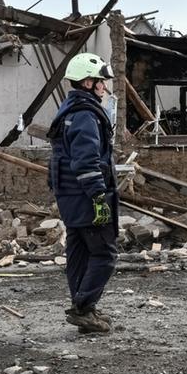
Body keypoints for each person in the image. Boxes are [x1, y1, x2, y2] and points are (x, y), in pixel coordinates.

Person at [47, 53, 120, 334]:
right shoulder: (86, 115)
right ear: (88, 83)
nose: (104, 88)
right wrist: (99, 197)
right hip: (84, 196)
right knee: (104, 253)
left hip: (69, 197)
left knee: (78, 253)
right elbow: (86, 161)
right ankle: (83, 308)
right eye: (101, 82)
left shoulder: (68, 110)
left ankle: (83, 307)